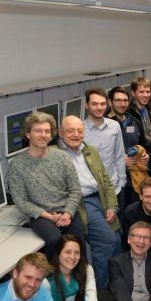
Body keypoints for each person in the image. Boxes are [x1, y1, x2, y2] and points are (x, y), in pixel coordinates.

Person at [57, 115, 122, 290]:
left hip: (100, 198)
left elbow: (105, 180)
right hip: (81, 204)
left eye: (80, 131)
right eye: (70, 131)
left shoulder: (90, 150)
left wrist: (112, 206)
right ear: (60, 132)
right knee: (107, 241)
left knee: (118, 239)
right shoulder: (55, 155)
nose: (76, 135)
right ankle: (101, 290)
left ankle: (117, 285)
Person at [6, 111, 83, 258]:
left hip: (67, 211)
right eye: (38, 131)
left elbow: (75, 190)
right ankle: (52, 272)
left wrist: (68, 213)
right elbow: (21, 201)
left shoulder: (62, 157)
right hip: (41, 215)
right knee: (54, 240)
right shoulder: (17, 164)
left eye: (47, 131)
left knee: (76, 245)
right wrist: (49, 216)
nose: (44, 135)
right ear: (27, 134)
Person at [83, 88, 127, 205]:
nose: (99, 107)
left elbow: (119, 155)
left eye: (102, 104)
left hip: (114, 188)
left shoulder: (115, 126)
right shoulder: (80, 130)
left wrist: (122, 182)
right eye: (94, 104)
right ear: (86, 105)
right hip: (92, 191)